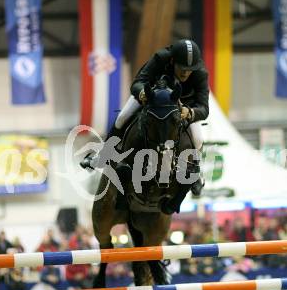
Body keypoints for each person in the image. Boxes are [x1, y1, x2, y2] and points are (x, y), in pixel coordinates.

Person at [81, 39, 209, 198]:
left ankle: (195, 172)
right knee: (122, 117)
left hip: (183, 107)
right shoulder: (160, 58)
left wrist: (190, 112)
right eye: (182, 68)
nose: (185, 73)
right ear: (172, 60)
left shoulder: (200, 73)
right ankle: (103, 154)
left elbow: (204, 108)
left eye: (189, 70)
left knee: (197, 138)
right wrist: (142, 92)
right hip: (153, 99)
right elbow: (137, 83)